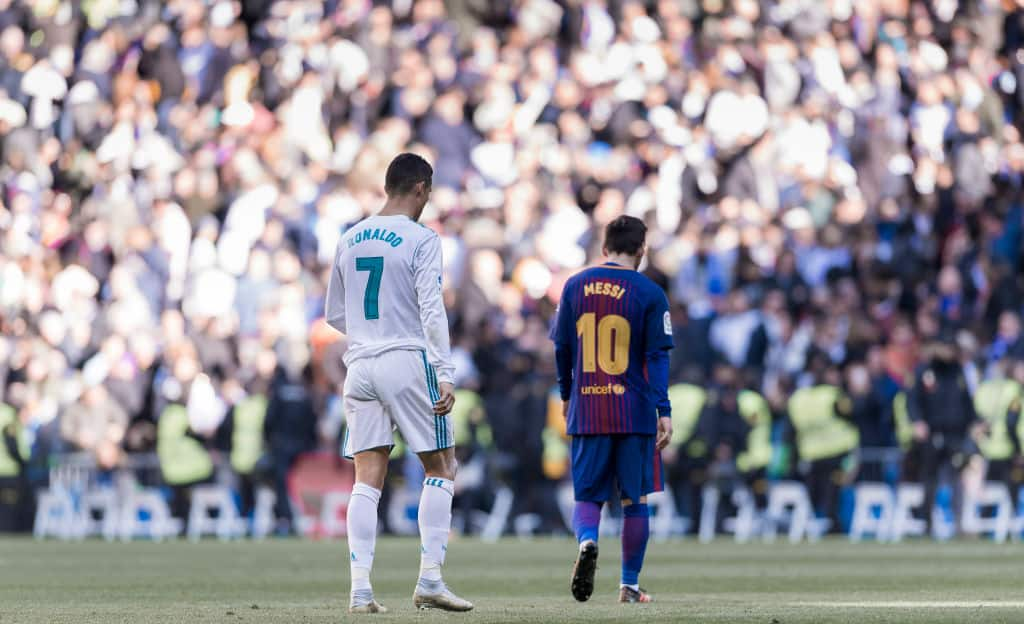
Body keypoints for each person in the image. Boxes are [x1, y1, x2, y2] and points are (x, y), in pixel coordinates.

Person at [325, 153, 472, 614]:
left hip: (360, 364)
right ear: (422, 189)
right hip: (406, 357)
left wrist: (371, 334)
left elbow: (334, 313)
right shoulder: (422, 238)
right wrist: (444, 372)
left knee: (367, 479)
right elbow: (432, 309)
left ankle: (361, 590)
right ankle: (429, 579)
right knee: (442, 467)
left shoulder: (349, 239)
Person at [550, 215, 674, 604]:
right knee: (633, 501)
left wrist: (567, 393)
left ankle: (588, 540)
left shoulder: (574, 286)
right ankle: (629, 585)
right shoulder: (651, 293)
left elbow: (562, 349)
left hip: (587, 405)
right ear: (642, 251)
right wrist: (663, 409)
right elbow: (657, 357)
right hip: (633, 410)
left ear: (604, 248)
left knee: (587, 496)